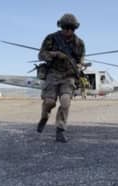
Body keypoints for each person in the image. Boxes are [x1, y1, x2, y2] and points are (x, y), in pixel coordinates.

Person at [36, 13, 85, 143]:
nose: (68, 31)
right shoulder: (51, 38)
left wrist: (79, 66)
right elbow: (41, 55)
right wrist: (55, 54)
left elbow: (81, 60)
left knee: (65, 101)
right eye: (66, 27)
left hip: (69, 76)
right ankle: (44, 117)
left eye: (71, 28)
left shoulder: (79, 43)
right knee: (49, 102)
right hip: (53, 74)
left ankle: (60, 130)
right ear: (61, 26)